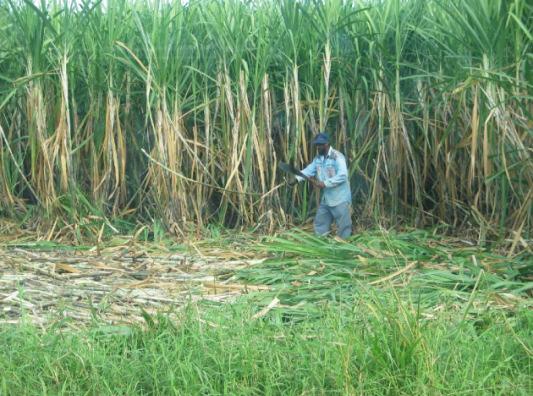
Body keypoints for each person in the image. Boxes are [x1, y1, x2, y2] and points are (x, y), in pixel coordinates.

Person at [291, 132, 352, 238]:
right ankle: (320, 244)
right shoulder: (318, 159)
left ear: (327, 144)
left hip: (340, 199)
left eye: (320, 144)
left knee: (343, 227)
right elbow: (309, 170)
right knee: (320, 223)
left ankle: (344, 247)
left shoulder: (337, 157)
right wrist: (297, 179)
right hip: (327, 199)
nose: (318, 147)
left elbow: (343, 175)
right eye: (317, 145)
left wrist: (325, 183)